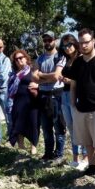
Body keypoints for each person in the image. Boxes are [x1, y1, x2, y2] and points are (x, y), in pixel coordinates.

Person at [62, 28, 95, 183]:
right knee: (87, 140)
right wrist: (72, 104)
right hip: (81, 108)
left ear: (93, 42)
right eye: (81, 43)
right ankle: (92, 166)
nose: (83, 46)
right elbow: (74, 85)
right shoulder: (77, 62)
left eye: (86, 42)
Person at [34, 31, 67, 163]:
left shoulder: (60, 56)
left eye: (50, 40)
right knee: (46, 127)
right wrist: (45, 77)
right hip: (43, 95)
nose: (47, 42)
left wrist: (42, 75)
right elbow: (34, 77)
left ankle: (59, 154)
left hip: (56, 94)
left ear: (55, 40)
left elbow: (56, 76)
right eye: (45, 40)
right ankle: (48, 153)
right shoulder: (40, 58)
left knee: (58, 126)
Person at [59, 33, 87, 168]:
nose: (67, 48)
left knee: (80, 126)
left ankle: (86, 157)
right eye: (64, 46)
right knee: (70, 126)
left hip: (76, 94)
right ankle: (75, 158)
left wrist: (70, 81)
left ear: (75, 44)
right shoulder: (66, 60)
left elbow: (84, 79)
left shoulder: (81, 59)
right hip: (64, 94)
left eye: (69, 44)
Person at [7, 49, 40, 154]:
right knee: (18, 124)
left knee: (33, 123)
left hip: (32, 102)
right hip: (18, 102)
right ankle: (21, 147)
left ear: (26, 58)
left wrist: (37, 85)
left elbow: (41, 82)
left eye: (21, 58)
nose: (19, 60)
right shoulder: (13, 75)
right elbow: (10, 89)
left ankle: (33, 147)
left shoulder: (32, 70)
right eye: (16, 59)